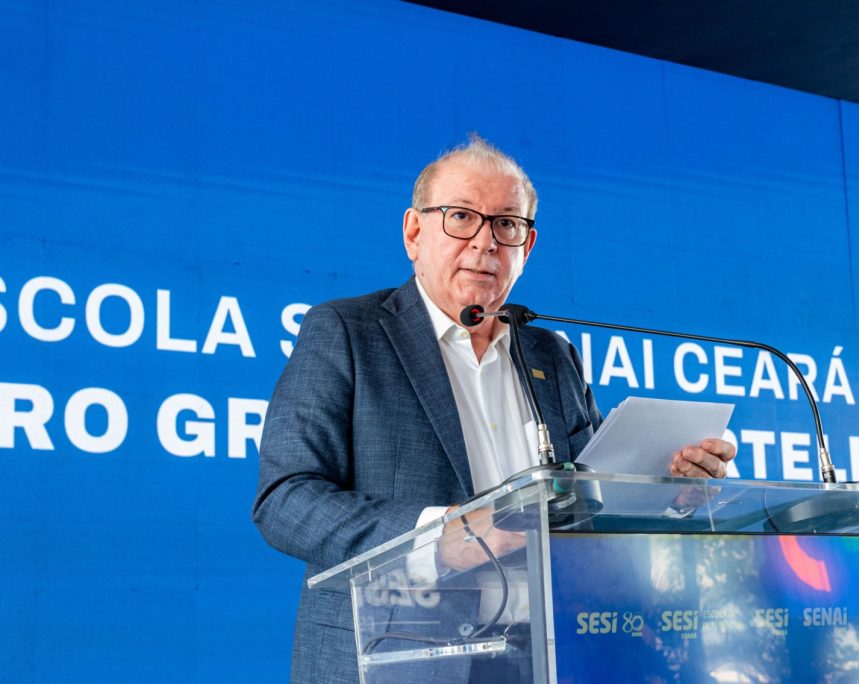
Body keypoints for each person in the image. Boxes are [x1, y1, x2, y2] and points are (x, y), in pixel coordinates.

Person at [252, 137, 736, 682]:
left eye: (506, 224)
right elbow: (284, 499)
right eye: (461, 216)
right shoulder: (347, 332)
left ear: (527, 246)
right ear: (414, 232)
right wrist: (439, 537)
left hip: (548, 658)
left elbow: (591, 502)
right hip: (399, 659)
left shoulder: (552, 355)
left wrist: (670, 493)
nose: (485, 242)